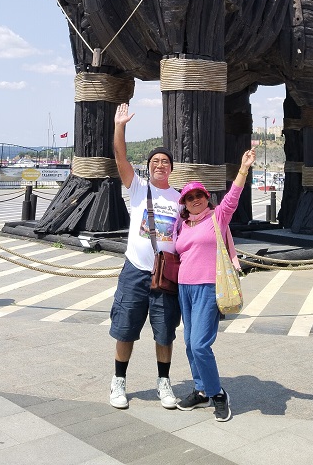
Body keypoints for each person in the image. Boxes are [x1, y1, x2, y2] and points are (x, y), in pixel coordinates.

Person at [175, 147, 256, 422]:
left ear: (207, 198)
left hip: (209, 286)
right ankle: (201, 390)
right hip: (184, 288)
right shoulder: (182, 225)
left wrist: (243, 168)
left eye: (199, 195)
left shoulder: (217, 217)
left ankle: (218, 394)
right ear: (184, 203)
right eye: (190, 197)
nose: (195, 200)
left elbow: (233, 197)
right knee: (189, 344)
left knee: (200, 344)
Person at [109, 102, 181, 410]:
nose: (160, 165)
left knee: (164, 333)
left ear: (171, 168)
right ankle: (118, 381)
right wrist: (120, 126)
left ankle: (163, 382)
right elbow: (120, 157)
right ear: (148, 167)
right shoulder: (138, 188)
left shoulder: (180, 199)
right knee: (125, 328)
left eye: (165, 161)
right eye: (155, 161)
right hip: (136, 270)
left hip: (165, 275)